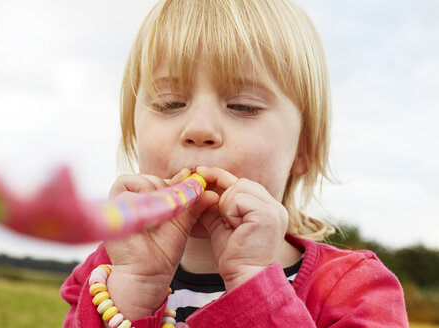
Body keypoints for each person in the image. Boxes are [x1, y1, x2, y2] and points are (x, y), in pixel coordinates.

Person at [60, 0, 408, 327]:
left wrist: (254, 283)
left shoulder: (353, 290)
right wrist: (135, 286)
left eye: (244, 106)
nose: (198, 130)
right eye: (169, 103)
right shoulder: (105, 274)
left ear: (304, 151)